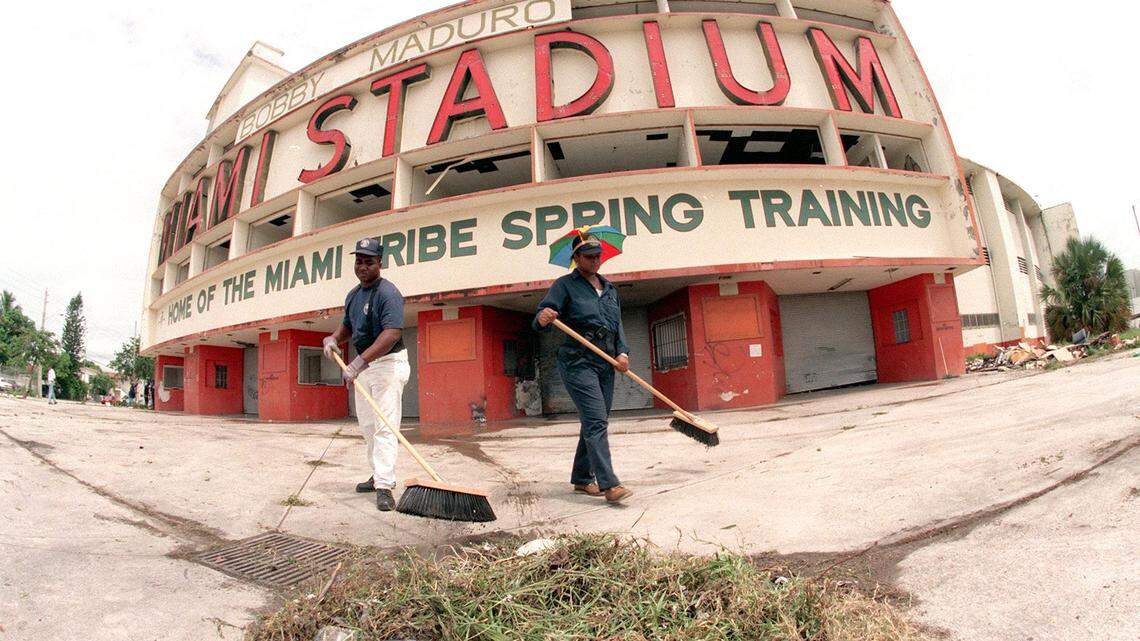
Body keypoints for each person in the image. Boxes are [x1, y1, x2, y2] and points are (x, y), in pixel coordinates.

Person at [533, 234, 633, 503]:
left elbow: (617, 326)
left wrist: (623, 352)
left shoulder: (610, 289)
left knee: (595, 420)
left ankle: (580, 478)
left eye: (598, 255)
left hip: (606, 362)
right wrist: (544, 316)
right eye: (589, 256)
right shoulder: (565, 285)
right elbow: (541, 316)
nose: (596, 260)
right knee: (597, 420)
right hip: (578, 362)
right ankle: (609, 484)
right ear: (576, 259)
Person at [323, 238, 410, 511]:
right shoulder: (353, 295)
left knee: (385, 426)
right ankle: (378, 475)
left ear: (379, 264)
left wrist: (359, 362)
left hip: (388, 363)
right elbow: (348, 326)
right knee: (369, 427)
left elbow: (392, 332)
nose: (362, 267)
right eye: (359, 261)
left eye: (368, 262)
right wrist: (334, 338)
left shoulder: (389, 293)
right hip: (364, 368)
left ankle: (385, 485)